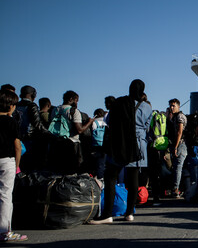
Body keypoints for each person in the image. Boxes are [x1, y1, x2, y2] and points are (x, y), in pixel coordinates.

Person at [90, 80, 147, 224]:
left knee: (111, 177)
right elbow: (148, 125)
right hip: (138, 145)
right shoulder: (147, 107)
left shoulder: (120, 103)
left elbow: (109, 121)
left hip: (121, 143)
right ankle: (129, 213)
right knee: (133, 178)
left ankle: (108, 214)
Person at [0, 89, 27, 242]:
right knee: (5, 195)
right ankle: (5, 231)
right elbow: (17, 146)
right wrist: (17, 165)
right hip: (7, 160)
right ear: (10, 106)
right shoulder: (11, 121)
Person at [48, 90, 95, 174]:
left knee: (56, 170)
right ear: (71, 99)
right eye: (76, 100)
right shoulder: (73, 111)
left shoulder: (55, 110)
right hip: (71, 144)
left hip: (55, 143)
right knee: (71, 171)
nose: (77, 103)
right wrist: (90, 122)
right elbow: (79, 130)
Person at [16, 85, 50, 171]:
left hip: (16, 140)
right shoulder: (32, 106)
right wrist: (51, 135)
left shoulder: (15, 105)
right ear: (33, 95)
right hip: (28, 141)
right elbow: (37, 125)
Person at [167, 98, 187, 198]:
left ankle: (176, 189)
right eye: (170, 105)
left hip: (181, 145)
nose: (171, 108)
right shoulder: (173, 117)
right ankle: (177, 188)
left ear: (178, 106)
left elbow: (180, 132)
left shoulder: (180, 116)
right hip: (177, 144)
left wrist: (175, 147)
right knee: (176, 167)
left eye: (173, 106)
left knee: (178, 167)